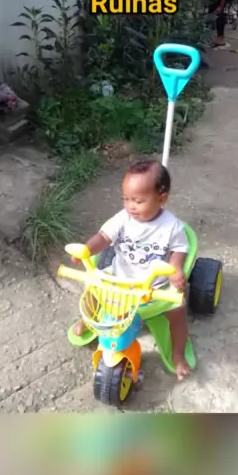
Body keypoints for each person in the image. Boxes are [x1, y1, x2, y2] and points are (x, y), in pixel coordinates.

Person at [71, 157, 192, 380]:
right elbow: (103, 237)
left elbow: (180, 248)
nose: (130, 206)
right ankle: (91, 321)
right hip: (120, 279)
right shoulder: (122, 219)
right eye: (126, 199)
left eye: (138, 200)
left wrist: (175, 267)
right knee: (94, 286)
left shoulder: (171, 226)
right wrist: (87, 250)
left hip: (154, 286)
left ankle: (177, 353)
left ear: (162, 198)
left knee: (177, 311)